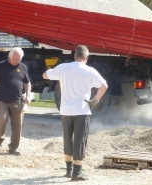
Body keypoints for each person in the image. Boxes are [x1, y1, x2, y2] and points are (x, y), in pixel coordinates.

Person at [42, 45, 108, 181]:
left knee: (67, 138)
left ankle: (68, 170)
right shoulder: (90, 70)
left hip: (65, 110)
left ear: (74, 56)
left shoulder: (63, 68)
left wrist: (58, 75)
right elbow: (104, 86)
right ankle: (77, 172)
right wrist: (94, 101)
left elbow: (44, 75)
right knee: (79, 140)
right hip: (82, 110)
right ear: (87, 57)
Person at [0, 47, 31, 156]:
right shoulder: (1, 66)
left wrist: (28, 95)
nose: (17, 60)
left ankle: (13, 148)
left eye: (19, 58)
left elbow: (27, 83)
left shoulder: (23, 67)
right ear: (10, 56)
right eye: (15, 58)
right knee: (2, 119)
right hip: (1, 99)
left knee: (17, 125)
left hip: (17, 100)